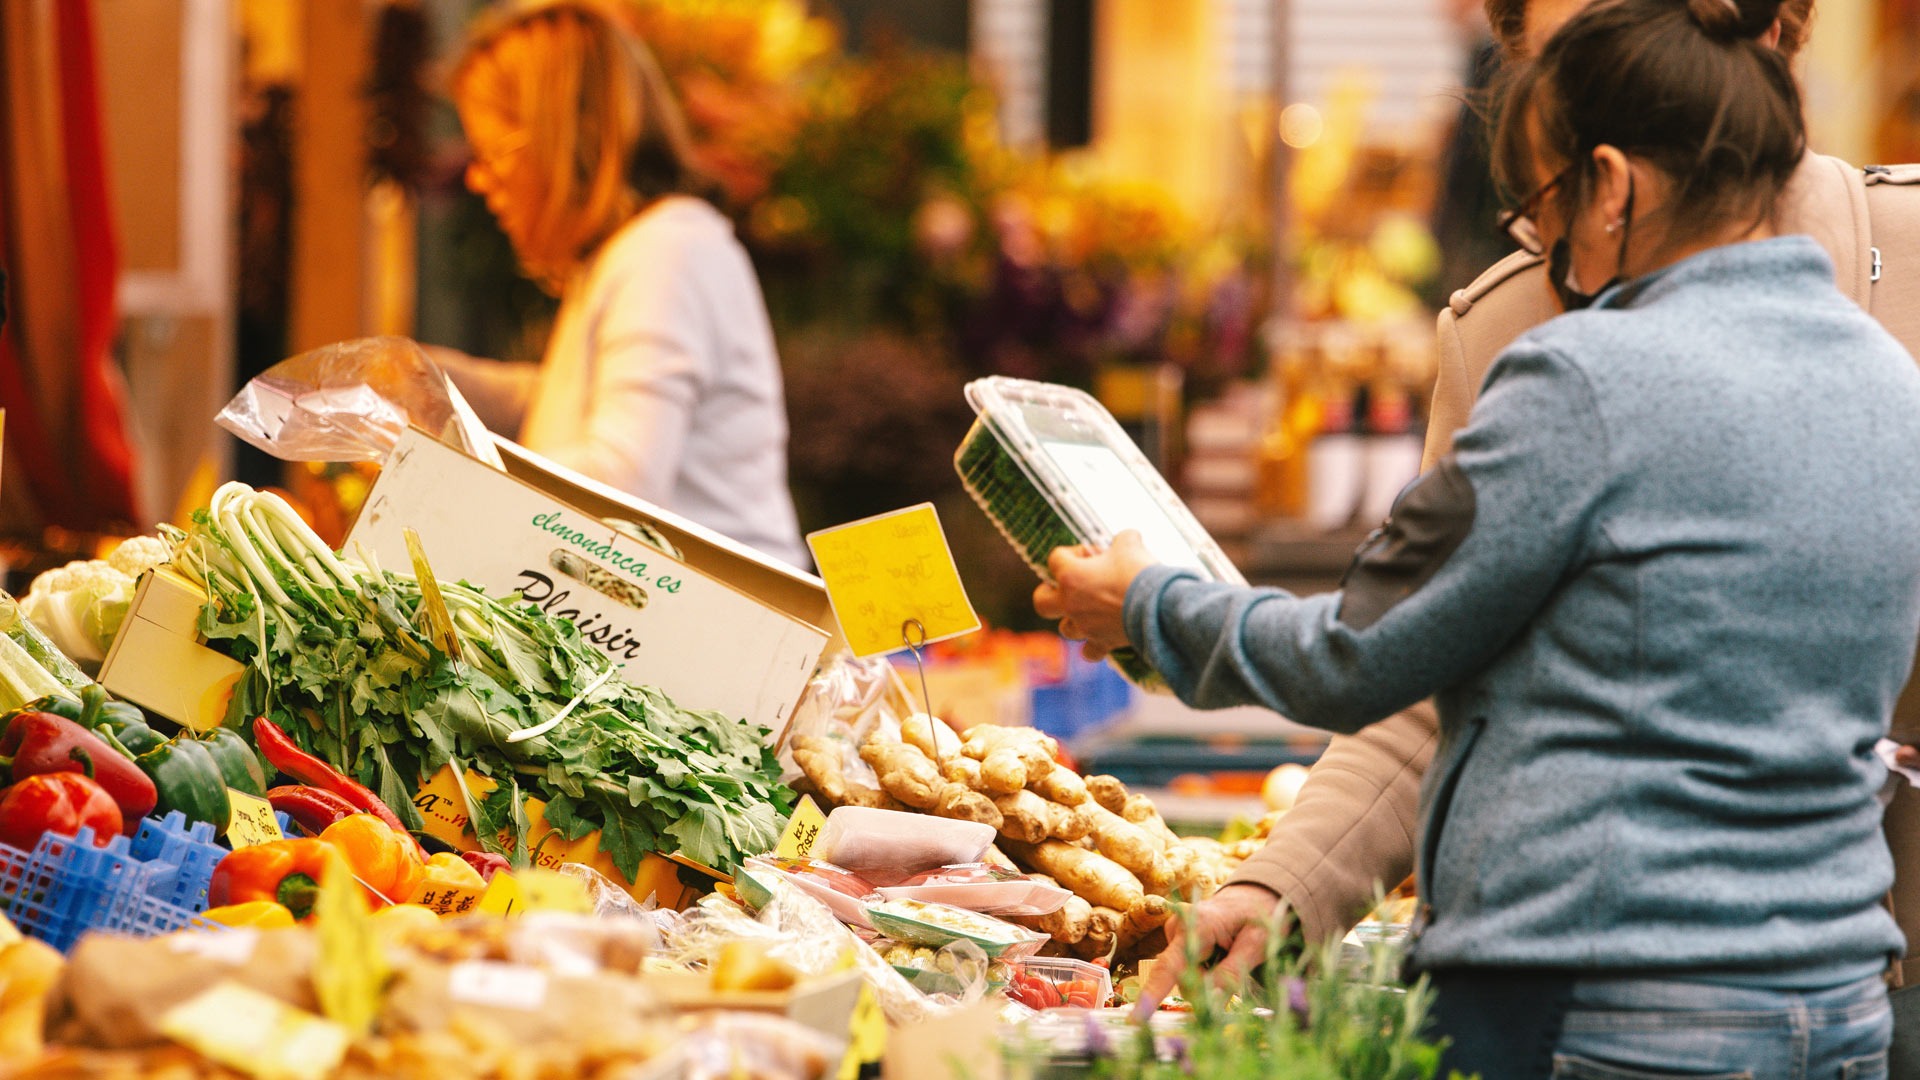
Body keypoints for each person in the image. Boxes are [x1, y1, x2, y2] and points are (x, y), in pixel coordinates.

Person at [1039, 0, 1920, 1073]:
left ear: (1609, 184)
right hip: (1830, 1000)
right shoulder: (1888, 381)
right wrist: (1289, 885)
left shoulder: (1581, 375)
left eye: (1543, 197)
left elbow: (1364, 647)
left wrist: (1146, 602)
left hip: (1597, 997)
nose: (1538, 241)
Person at [439, 1, 808, 568]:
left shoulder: (664, 252)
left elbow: (622, 477)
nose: (478, 178)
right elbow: (597, 400)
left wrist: (440, 471)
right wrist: (436, 384)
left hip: (719, 632)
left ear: (560, 139)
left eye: (492, 153)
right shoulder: (640, 250)